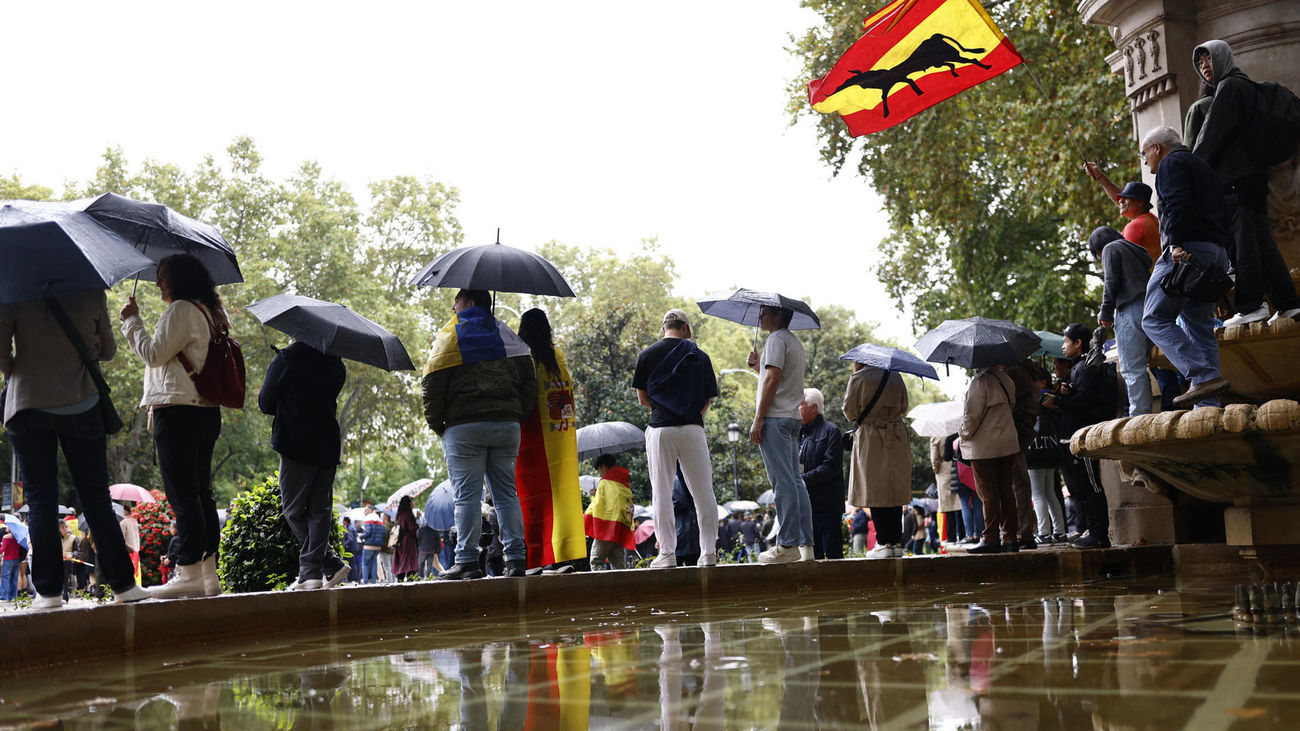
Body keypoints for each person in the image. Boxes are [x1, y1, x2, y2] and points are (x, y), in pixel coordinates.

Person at [2, 290, 148, 608]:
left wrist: (24, 371)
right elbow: (107, 350)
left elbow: (2, 355)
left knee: (41, 500)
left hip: (27, 405)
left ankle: (49, 593)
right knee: (95, 496)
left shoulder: (14, 289)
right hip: (82, 403)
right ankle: (124, 586)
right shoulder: (88, 289)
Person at [120, 254, 227, 598]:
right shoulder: (211, 313)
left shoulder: (182, 309)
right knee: (201, 493)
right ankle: (208, 576)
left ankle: (190, 570)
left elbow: (153, 354)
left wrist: (132, 321)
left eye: (163, 276)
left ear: (179, 279)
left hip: (179, 411)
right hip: (205, 412)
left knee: (183, 493)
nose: (157, 283)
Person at [423, 289, 537, 580]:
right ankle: (516, 560)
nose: (453, 307)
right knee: (506, 495)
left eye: (457, 302)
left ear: (469, 303)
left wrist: (440, 425)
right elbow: (529, 384)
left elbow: (433, 385)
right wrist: (515, 416)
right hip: (507, 426)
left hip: (464, 428)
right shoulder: (509, 336)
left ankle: (468, 562)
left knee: (467, 499)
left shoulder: (451, 336)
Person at [1190, 40, 1300, 328]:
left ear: (1223, 59)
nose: (1204, 68)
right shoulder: (1246, 86)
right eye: (1200, 64)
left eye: (1209, 60)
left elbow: (1211, 135)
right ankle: (1288, 303)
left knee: (1242, 242)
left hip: (1235, 178)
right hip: (1252, 177)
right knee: (1262, 241)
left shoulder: (1230, 87)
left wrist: (1188, 170)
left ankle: (1252, 304)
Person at [1137, 126, 1232, 408]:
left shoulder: (1171, 163)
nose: (1145, 161)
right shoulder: (1201, 165)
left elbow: (1178, 204)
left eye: (1145, 153)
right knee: (1199, 326)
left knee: (1153, 319)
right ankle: (1208, 404)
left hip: (1185, 251)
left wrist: (1176, 244)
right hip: (1215, 253)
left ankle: (1202, 377)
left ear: (1157, 148)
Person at [258, 337, 350, 591]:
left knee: (293, 509)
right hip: (327, 444)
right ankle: (317, 570)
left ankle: (323, 565)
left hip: (295, 443)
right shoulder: (336, 364)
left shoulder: (287, 358)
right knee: (319, 510)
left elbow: (265, 403)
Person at [631, 308, 719, 569]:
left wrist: (664, 412)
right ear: (686, 328)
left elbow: (643, 398)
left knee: (661, 492)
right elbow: (707, 398)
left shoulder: (646, 355)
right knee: (703, 492)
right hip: (692, 428)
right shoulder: (699, 356)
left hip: (660, 429)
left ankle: (667, 554)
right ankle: (709, 552)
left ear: (663, 328)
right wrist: (690, 414)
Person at [514, 308, 586, 570]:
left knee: (532, 502)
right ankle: (559, 558)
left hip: (530, 439)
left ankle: (534, 560)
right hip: (560, 438)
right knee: (560, 498)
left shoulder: (523, 357)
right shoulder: (557, 357)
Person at [750, 305, 812, 564]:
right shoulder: (794, 342)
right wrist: (758, 368)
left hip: (775, 419)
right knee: (795, 481)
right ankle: (806, 545)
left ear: (778, 314)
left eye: (764, 312)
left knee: (782, 482)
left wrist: (758, 418)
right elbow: (776, 378)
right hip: (791, 417)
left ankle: (786, 545)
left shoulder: (775, 339)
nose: (760, 316)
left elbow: (773, 379)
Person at [1043, 324, 1113, 549]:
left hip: (1083, 438)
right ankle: (1093, 532)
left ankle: (1099, 535)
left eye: (1066, 342)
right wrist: (1065, 393)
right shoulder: (1078, 368)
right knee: (1083, 488)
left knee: (1092, 487)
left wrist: (1058, 401)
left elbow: (1083, 401)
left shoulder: (1085, 367)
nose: (1063, 347)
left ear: (1078, 343)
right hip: (1073, 438)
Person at [842, 364, 909, 559]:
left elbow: (850, 412)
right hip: (897, 435)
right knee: (894, 486)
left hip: (871, 436)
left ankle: (883, 542)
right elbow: (904, 407)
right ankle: (896, 541)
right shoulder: (896, 376)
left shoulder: (859, 377)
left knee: (875, 487)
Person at [1088, 226, 1154, 416]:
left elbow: (1111, 282)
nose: (1099, 258)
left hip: (1128, 310)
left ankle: (1140, 416)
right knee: (1156, 363)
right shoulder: (1135, 250)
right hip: (1149, 307)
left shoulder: (1110, 249)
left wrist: (1106, 313)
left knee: (1132, 369)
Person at [958, 365, 1019, 554]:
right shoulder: (1006, 379)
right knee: (1006, 490)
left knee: (988, 492)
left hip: (984, 446)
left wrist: (962, 434)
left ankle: (991, 537)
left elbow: (971, 418)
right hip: (1007, 441)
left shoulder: (979, 382)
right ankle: (1010, 537)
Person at [798, 388, 845, 560]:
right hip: (806, 506)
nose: (797, 408)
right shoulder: (798, 434)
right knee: (811, 557)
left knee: (833, 554)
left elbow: (830, 467)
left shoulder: (831, 432)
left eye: (801, 404)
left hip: (827, 505)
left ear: (814, 407)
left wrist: (801, 480)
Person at [1082, 165, 1161, 262]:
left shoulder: (1135, 226)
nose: (1120, 201)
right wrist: (1100, 177)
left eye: (1126, 197)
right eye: (1120, 198)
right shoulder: (1150, 219)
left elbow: (1124, 263)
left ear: (1141, 202)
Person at [584, 454, 635, 570]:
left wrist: (591, 501)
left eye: (599, 471)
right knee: (618, 564)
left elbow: (599, 505)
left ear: (603, 467)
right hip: (620, 527)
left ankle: (601, 588)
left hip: (606, 527)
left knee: (596, 560)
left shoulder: (604, 482)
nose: (600, 474)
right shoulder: (624, 483)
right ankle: (621, 588)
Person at [391, 496, 420, 581]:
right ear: (408, 503)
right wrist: (417, 519)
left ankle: (400, 582)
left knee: (402, 562)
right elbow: (413, 528)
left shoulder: (399, 515)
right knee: (410, 563)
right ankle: (410, 583)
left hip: (400, 542)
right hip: (408, 542)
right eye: (411, 501)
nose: (413, 503)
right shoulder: (408, 515)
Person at [359, 508, 384, 583]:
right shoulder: (380, 521)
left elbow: (368, 532)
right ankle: (373, 581)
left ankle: (365, 581)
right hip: (377, 546)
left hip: (368, 546)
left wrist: (361, 536)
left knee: (365, 563)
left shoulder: (368, 519)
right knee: (374, 563)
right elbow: (383, 533)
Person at [119, 504, 141, 585]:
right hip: (136, 549)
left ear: (124, 511)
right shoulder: (135, 521)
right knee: (136, 571)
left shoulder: (123, 523)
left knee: (129, 572)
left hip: (128, 551)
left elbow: (121, 538)